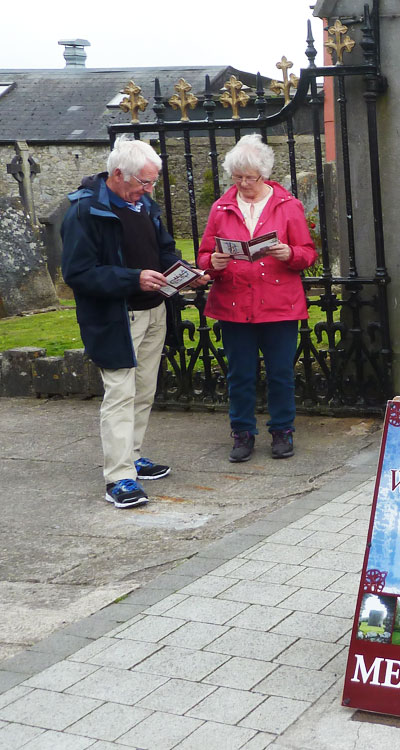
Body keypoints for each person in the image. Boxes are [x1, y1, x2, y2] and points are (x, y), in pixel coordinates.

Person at [61, 137, 209, 508]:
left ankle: (134, 455)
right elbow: (78, 273)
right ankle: (119, 478)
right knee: (120, 395)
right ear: (117, 175)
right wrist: (133, 279)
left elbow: (163, 249)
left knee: (143, 391)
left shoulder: (143, 203)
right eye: (143, 183)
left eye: (152, 182)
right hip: (116, 317)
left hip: (154, 309)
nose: (148, 190)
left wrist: (184, 272)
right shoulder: (84, 211)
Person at [197, 134, 317, 462]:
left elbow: (308, 254)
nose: (245, 184)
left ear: (264, 174)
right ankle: (242, 433)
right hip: (234, 304)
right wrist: (214, 263)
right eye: (238, 178)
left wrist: (290, 252)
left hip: (279, 304)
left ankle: (282, 431)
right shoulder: (221, 208)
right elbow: (204, 255)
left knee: (280, 372)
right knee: (240, 373)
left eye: (252, 177)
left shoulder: (288, 206)